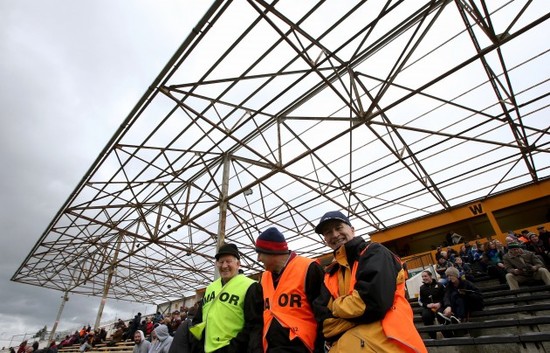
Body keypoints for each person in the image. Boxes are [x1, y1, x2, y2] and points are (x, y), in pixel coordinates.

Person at [312, 211, 426, 353]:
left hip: (386, 346)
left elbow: (372, 303)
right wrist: (354, 312)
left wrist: (335, 306)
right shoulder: (330, 273)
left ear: (352, 230)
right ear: (325, 240)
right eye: (328, 232)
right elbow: (324, 324)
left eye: (339, 228)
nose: (334, 235)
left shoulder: (374, 252)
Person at [255, 227, 325, 353]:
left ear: (273, 252)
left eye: (260, 253)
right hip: (270, 348)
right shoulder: (265, 277)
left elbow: (323, 315)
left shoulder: (309, 268)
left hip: (301, 347)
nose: (258, 259)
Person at [191, 243, 263, 353]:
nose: (224, 266)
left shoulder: (250, 286)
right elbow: (198, 320)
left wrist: (232, 348)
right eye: (221, 262)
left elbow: (254, 325)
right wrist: (198, 346)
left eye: (228, 261)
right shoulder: (210, 288)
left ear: (238, 264)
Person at [418, 270, 446, 339]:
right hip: (429, 308)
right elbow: (421, 301)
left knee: (440, 314)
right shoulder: (422, 288)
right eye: (422, 277)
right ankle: (432, 336)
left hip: (440, 306)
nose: (424, 278)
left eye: (425, 276)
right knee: (425, 316)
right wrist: (427, 305)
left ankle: (447, 334)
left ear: (430, 276)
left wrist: (440, 303)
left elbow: (445, 297)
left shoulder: (439, 285)